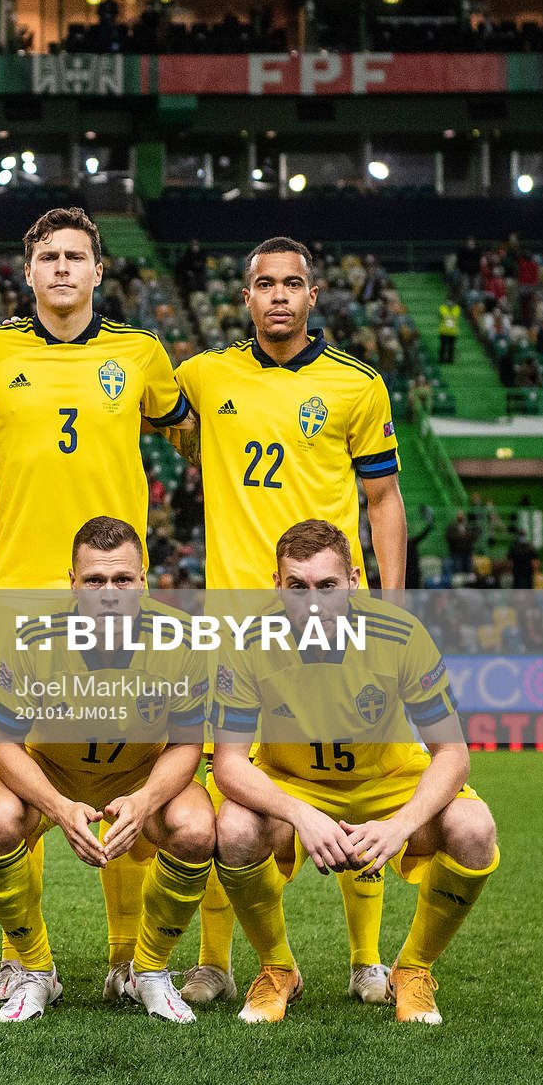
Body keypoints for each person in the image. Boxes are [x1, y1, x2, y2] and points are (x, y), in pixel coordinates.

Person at [0, 206, 192, 1007]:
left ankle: (129, 957)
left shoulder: (141, 353)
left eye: (76, 256)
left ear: (99, 271)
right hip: (22, 590)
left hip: (120, 592)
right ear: (28, 273)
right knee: (20, 773)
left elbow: (189, 428)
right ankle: (27, 959)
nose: (62, 268)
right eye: (48, 256)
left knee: (123, 759)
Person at [172, 235, 411, 1005]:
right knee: (227, 794)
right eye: (264, 284)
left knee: (357, 774)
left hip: (334, 620)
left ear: (314, 296)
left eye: (293, 283)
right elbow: (128, 409)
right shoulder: (205, 377)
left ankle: (367, 959)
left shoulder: (356, 385)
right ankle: (217, 960)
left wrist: (394, 609)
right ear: (245, 298)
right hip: (237, 624)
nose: (279, 295)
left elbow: (383, 501)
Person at [212, 519, 499, 1025]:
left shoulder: (400, 635)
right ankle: (278, 970)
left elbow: (452, 754)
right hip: (294, 782)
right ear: (277, 586)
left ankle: (412, 971)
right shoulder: (248, 640)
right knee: (233, 827)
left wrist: (401, 824)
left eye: (327, 586)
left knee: (475, 830)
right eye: (297, 587)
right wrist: (300, 813)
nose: (313, 602)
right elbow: (230, 763)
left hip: (388, 782)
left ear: (354, 580)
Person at [0, 517, 214, 1024]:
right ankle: (37, 973)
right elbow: (5, 744)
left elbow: (189, 743)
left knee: (196, 826)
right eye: (95, 581)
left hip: (138, 773)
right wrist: (57, 807)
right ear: (73, 583)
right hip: (50, 771)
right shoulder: (33, 638)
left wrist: (145, 799)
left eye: (122, 580)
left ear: (144, 581)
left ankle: (147, 971)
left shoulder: (182, 640)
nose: (109, 593)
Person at [437, 299, 460, 365]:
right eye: (448, 301)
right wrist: (449, 316)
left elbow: (454, 316)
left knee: (451, 347)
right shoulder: (442, 307)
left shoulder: (457, 308)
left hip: (453, 332)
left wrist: (448, 316)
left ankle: (450, 360)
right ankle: (441, 359)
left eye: (451, 301)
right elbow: (443, 315)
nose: (450, 303)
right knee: (443, 346)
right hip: (443, 331)